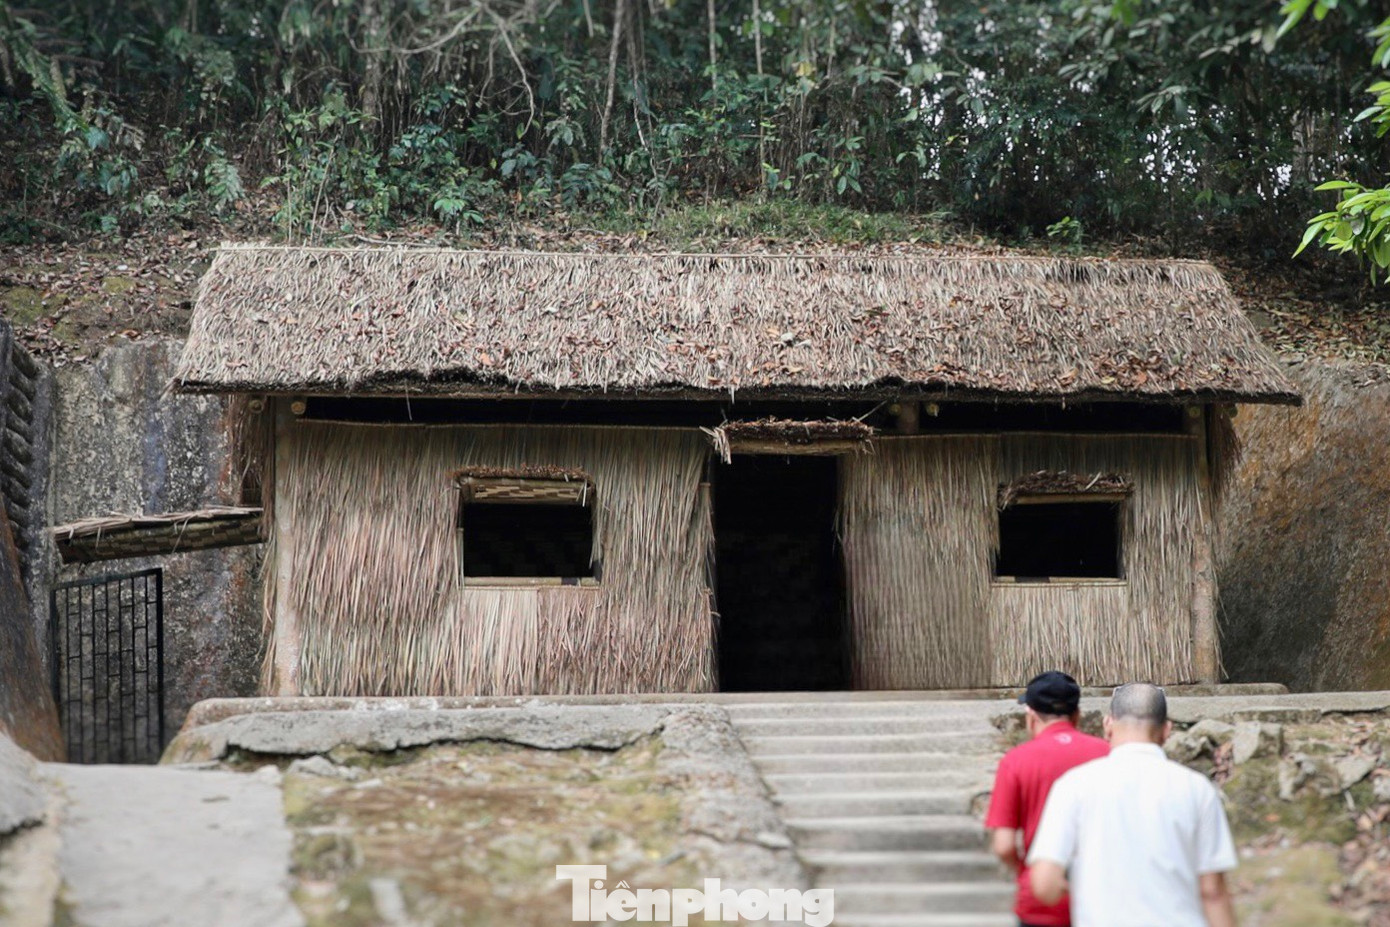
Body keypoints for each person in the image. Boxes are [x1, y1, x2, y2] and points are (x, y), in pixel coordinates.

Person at [1028, 683, 1238, 927]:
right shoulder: (1197, 788)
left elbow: (1044, 885)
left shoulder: (1074, 785)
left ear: (1108, 724)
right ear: (1166, 730)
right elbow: (1212, 891)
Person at [985, 670, 1108, 927]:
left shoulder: (1015, 761)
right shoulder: (1108, 754)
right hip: (1102, 898)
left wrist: (1028, 871)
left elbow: (1004, 845)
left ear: (1030, 717)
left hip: (1042, 901)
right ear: (1077, 715)